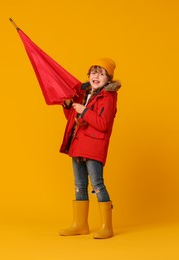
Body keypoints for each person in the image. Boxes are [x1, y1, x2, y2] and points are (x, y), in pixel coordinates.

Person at [59, 58, 121, 239]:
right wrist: (70, 106)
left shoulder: (108, 97)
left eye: (101, 74)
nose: (96, 76)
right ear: (89, 75)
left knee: (97, 185)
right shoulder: (85, 94)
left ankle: (106, 227)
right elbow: (72, 119)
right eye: (94, 72)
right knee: (79, 185)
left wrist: (83, 111)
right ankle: (80, 224)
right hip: (78, 145)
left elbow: (103, 123)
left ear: (108, 80)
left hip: (93, 147)